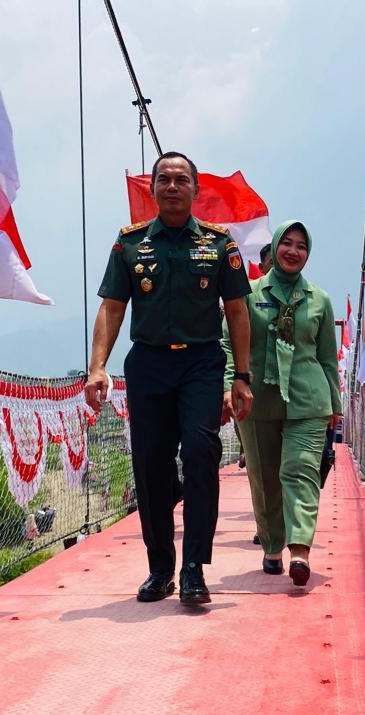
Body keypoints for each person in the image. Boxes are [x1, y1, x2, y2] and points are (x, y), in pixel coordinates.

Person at [86, 151, 254, 606]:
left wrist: (242, 376)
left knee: (201, 453)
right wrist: (97, 366)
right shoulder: (130, 244)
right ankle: (159, 568)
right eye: (164, 180)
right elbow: (112, 308)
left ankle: (195, 568)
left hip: (201, 364)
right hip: (148, 364)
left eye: (182, 180)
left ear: (196, 190)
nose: (173, 187)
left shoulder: (220, 245)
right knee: (151, 465)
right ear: (153, 189)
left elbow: (237, 311)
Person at [222, 220, 341, 586]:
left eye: (301, 246)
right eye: (286, 243)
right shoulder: (249, 293)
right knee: (264, 476)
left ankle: (300, 548)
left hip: (308, 399)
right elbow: (228, 343)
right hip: (257, 400)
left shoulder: (319, 300)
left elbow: (327, 359)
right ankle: (272, 546)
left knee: (301, 472)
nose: (293, 251)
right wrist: (229, 385)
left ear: (308, 254)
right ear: (274, 250)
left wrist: (334, 406)